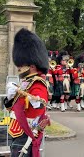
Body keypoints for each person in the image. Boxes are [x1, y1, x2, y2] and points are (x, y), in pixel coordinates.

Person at [5, 28, 50, 157]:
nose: (19, 67)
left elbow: (39, 106)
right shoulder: (25, 82)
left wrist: (35, 101)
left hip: (27, 130)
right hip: (16, 128)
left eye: (21, 65)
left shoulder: (37, 83)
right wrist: (9, 97)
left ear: (32, 66)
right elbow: (12, 107)